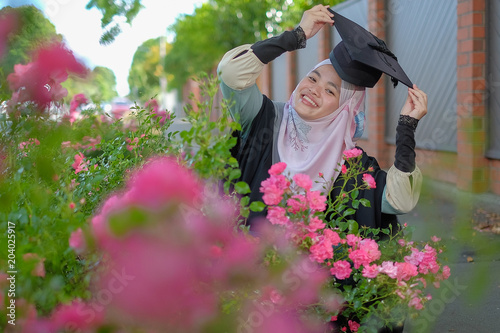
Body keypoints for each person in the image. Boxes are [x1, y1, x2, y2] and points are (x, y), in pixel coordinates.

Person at [218, 7, 427, 330]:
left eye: (331, 91)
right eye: (313, 78)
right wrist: (295, 36)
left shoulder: (354, 165)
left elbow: (399, 200)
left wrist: (406, 128)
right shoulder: (263, 121)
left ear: (344, 110)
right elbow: (231, 73)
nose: (314, 89)